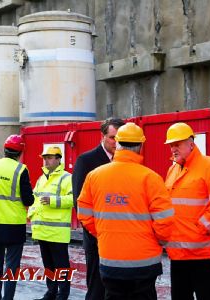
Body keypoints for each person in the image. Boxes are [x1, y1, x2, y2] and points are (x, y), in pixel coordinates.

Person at [77, 122, 174, 300]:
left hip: (110, 260)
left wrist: (103, 234)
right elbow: (165, 221)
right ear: (141, 146)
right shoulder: (151, 178)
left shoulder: (95, 176)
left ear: (118, 143)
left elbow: (83, 212)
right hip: (144, 262)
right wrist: (158, 241)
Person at [164, 122, 210, 300]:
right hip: (177, 254)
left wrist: (201, 227)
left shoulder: (209, 166)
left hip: (202, 254)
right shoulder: (172, 169)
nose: (173, 149)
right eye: (171, 145)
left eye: (178, 144)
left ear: (191, 143)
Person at [72, 118, 125, 300]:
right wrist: (98, 232)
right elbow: (79, 203)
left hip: (121, 238)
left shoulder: (127, 161)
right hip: (96, 237)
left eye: (120, 138)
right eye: (112, 138)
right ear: (102, 136)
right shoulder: (86, 160)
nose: (116, 142)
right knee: (97, 288)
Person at [0, 134, 34, 300]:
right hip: (14, 226)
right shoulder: (20, 170)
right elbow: (28, 200)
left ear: (4, 150)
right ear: (20, 152)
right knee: (11, 266)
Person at [29, 146, 73, 300]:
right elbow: (35, 198)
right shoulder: (42, 178)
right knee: (48, 265)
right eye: (44, 157)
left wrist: (53, 201)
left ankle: (63, 294)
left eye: (49, 157)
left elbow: (73, 199)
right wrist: (31, 214)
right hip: (42, 230)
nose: (46, 160)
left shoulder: (67, 178)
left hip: (57, 232)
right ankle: (51, 292)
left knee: (61, 266)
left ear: (58, 159)